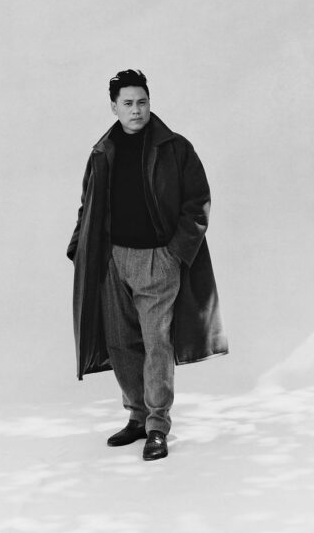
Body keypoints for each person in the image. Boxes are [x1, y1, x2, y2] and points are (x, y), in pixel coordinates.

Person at [67, 69, 227, 462]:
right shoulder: (102, 151)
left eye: (142, 102)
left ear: (149, 103)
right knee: (121, 343)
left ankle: (157, 425)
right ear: (113, 107)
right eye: (128, 104)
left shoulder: (175, 148)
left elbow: (198, 203)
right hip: (112, 260)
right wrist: (79, 247)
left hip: (158, 260)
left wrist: (175, 254)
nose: (136, 110)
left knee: (157, 344)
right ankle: (136, 416)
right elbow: (88, 204)